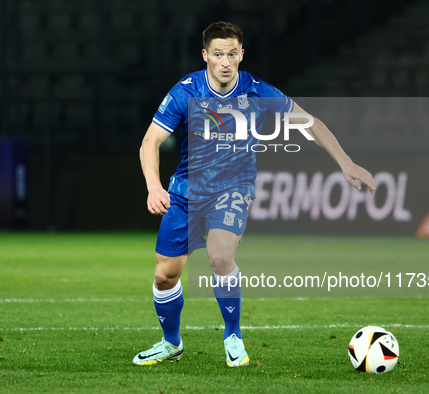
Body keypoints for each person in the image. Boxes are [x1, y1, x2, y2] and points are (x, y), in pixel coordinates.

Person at [135, 21, 376, 367]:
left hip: (234, 188)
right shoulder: (185, 92)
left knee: (220, 257)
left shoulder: (258, 92)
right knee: (164, 274)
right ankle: (171, 342)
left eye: (232, 54)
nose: (225, 62)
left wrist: (346, 163)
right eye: (218, 54)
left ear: (241, 54)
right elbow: (150, 142)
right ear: (205, 55)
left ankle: (232, 334)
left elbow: (311, 124)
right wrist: (154, 187)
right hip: (187, 193)